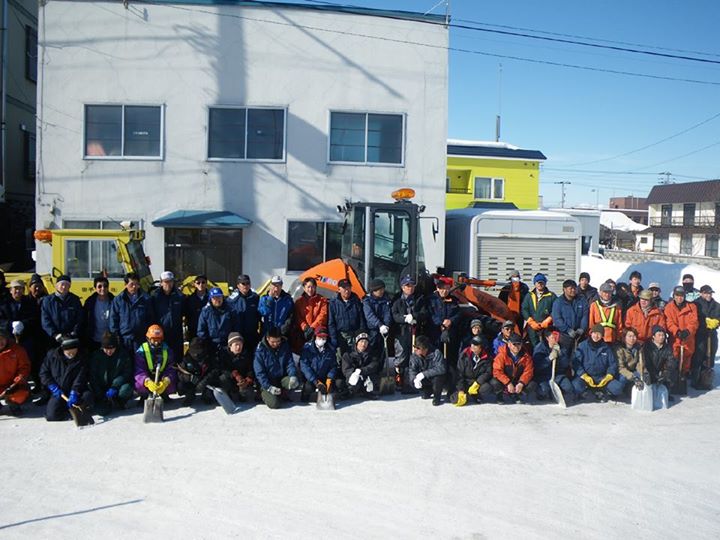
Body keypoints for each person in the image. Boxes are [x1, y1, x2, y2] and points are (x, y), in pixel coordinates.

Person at [39, 336, 93, 422]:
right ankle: (65, 410)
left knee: (87, 397)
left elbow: (81, 377)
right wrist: (51, 385)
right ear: (63, 350)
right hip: (59, 391)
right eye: (69, 352)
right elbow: (44, 373)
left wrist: (75, 391)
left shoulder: (82, 357)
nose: (71, 354)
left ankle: (76, 410)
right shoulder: (52, 356)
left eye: (74, 352)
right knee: (52, 416)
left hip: (76, 390)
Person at [392, 275, 430, 386]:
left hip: (415, 331)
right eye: (407, 286)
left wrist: (415, 317)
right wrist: (405, 319)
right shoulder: (397, 300)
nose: (410, 288)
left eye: (412, 286)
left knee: (415, 355)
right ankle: (399, 378)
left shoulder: (419, 299)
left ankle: (413, 379)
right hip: (402, 332)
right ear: (402, 287)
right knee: (401, 355)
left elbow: (425, 313)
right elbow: (394, 315)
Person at [109, 272, 155, 355]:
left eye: (137, 284)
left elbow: (150, 318)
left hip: (141, 339)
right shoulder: (118, 300)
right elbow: (113, 320)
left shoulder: (146, 299)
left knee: (141, 364)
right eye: (131, 284)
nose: (134, 287)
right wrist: (116, 337)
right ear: (125, 285)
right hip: (124, 340)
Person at [572, 324, 620, 402]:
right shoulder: (583, 345)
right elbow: (576, 363)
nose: (596, 336)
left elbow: (612, 364)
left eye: (599, 334)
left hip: (601, 377)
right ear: (591, 333)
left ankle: (603, 391)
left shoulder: (606, 348)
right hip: (586, 377)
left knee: (617, 388)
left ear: (602, 336)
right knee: (576, 385)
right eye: (594, 333)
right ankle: (584, 391)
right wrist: (584, 375)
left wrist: (609, 375)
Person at [253, 327, 299, 409]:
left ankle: (283, 392)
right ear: (267, 339)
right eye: (273, 342)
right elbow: (259, 373)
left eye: (278, 341)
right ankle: (263, 394)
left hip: (280, 379)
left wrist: (292, 375)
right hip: (267, 382)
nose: (276, 344)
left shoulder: (284, 346)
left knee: (294, 382)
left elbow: (290, 363)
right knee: (275, 404)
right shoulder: (260, 350)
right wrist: (268, 387)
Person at [88, 332, 133, 415]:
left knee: (126, 389)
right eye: (106, 349)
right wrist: (99, 393)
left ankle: (119, 402)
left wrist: (115, 386)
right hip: (101, 387)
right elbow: (92, 376)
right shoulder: (96, 356)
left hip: (116, 386)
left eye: (111, 348)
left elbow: (126, 373)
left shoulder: (123, 355)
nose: (109, 351)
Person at [664, 286, 699, 384]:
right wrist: (676, 331)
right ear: (674, 296)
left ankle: (683, 376)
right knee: (674, 357)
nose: (679, 298)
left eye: (682, 296)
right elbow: (668, 322)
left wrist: (688, 331)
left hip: (688, 338)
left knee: (687, 358)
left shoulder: (691, 307)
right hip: (675, 338)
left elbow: (694, 322)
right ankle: (673, 379)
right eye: (677, 295)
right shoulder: (669, 307)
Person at [134, 324, 177, 400]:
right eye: (154, 340)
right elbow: (139, 369)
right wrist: (147, 382)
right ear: (148, 339)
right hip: (148, 377)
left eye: (159, 339)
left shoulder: (167, 350)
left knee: (172, 383)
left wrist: (165, 382)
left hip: (161, 377)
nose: (156, 342)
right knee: (138, 385)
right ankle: (144, 396)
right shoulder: (141, 351)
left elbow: (171, 368)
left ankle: (164, 394)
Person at [490, 332, 535, 403]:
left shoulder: (526, 357)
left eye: (519, 344)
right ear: (509, 344)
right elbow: (497, 371)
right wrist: (508, 383)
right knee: (494, 382)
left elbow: (528, 372)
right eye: (514, 344)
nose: (517, 347)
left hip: (517, 380)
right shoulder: (502, 355)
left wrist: (521, 383)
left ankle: (517, 395)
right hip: (505, 381)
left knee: (532, 384)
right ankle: (499, 395)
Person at [151, 270, 185, 361]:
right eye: (166, 282)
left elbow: (184, 312)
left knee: (176, 358)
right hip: (160, 333)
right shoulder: (155, 297)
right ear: (161, 283)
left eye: (170, 281)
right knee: (161, 358)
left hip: (176, 333)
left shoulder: (180, 296)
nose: (168, 284)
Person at [40, 275, 83, 345]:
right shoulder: (48, 301)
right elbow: (45, 320)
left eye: (67, 285)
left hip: (71, 338)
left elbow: (79, 318)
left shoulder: (75, 300)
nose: (64, 287)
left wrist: (74, 332)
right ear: (56, 286)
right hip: (53, 339)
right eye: (62, 284)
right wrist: (54, 334)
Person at [328, 278, 366, 358]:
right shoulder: (333, 303)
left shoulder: (356, 301)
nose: (347, 291)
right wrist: (333, 338)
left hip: (354, 333)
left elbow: (361, 319)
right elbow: (331, 322)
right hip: (340, 334)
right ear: (339, 289)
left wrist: (361, 333)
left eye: (348, 288)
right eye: (344, 288)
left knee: (354, 357)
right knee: (340, 358)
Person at [532, 330, 573, 402]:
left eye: (557, 337)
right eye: (553, 337)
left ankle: (558, 394)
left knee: (568, 387)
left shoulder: (562, 347)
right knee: (544, 390)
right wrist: (549, 359)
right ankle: (540, 394)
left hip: (557, 375)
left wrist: (560, 354)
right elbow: (537, 366)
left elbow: (566, 364)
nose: (556, 339)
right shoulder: (540, 348)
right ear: (547, 338)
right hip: (543, 376)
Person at [452, 335, 493, 406]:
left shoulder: (487, 357)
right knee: (455, 399)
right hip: (465, 381)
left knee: (487, 387)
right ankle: (467, 395)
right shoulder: (464, 355)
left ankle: (474, 395)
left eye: (476, 345)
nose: (473, 346)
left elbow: (488, 372)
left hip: (476, 382)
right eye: (472, 343)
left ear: (481, 347)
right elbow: (459, 373)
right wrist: (461, 390)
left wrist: (477, 383)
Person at [299, 327, 339, 400]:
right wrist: (316, 382)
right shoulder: (307, 348)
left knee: (338, 384)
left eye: (324, 337)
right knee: (308, 388)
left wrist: (330, 378)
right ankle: (307, 395)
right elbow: (304, 366)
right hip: (312, 378)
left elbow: (333, 366)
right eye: (319, 337)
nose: (322, 339)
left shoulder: (330, 349)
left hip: (325, 377)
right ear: (315, 337)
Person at [551, 279, 589, 354]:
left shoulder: (581, 300)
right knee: (564, 358)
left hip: (579, 335)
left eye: (574, 288)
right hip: (564, 336)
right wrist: (567, 330)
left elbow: (585, 315)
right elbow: (557, 319)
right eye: (570, 288)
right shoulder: (558, 302)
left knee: (579, 356)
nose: (573, 290)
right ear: (564, 289)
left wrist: (582, 328)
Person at [197, 287, 239, 355]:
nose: (217, 300)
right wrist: (207, 344)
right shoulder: (206, 311)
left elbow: (236, 327)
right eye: (214, 298)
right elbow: (201, 331)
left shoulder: (231, 310)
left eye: (219, 297)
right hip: (211, 345)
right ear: (210, 299)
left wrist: (232, 342)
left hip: (227, 344)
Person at [291, 277, 328, 354]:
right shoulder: (299, 301)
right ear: (304, 288)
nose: (310, 289)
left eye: (312, 287)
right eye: (308, 287)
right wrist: (305, 327)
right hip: (302, 332)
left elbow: (323, 315)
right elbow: (297, 316)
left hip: (317, 331)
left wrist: (313, 327)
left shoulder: (322, 300)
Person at [692, 285, 720, 388]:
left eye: (710, 293)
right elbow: (693, 318)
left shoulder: (716, 305)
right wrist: (704, 323)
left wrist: (716, 322)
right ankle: (695, 379)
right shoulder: (695, 304)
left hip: (712, 333)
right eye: (706, 293)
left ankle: (706, 379)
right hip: (699, 333)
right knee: (699, 354)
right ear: (701, 293)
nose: (708, 295)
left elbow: (718, 316)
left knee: (711, 354)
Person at [227, 274, 261, 356]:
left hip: (252, 334)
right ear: (238, 285)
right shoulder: (231, 300)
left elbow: (259, 315)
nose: (246, 286)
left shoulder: (255, 298)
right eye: (243, 284)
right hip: (238, 336)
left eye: (248, 283)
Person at [0, 328, 31, 415]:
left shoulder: (17, 350)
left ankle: (13, 404)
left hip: (12, 384)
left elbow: (24, 368)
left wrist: (15, 383)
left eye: (2, 339)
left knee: (20, 394)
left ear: (6, 339)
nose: (0, 342)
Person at [408, 335, 446, 406]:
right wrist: (414, 380)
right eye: (414, 347)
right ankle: (428, 391)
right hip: (425, 380)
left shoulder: (436, 353)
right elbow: (412, 371)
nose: (415, 349)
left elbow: (441, 368)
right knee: (414, 383)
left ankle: (437, 397)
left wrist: (424, 374)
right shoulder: (414, 357)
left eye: (418, 348)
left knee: (438, 378)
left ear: (425, 349)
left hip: (434, 379)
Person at [341, 332, 381, 400]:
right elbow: (346, 369)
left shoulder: (372, 353)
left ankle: (368, 392)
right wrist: (354, 373)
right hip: (354, 376)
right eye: (361, 341)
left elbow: (374, 365)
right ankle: (350, 391)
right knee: (352, 380)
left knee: (373, 379)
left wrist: (362, 371)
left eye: (366, 342)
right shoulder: (348, 354)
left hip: (365, 375)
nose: (363, 344)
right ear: (357, 342)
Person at [176, 337, 214, 405]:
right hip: (192, 382)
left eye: (199, 351)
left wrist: (204, 381)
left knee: (213, 381)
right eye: (194, 351)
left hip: (205, 382)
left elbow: (213, 371)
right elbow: (180, 373)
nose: (196, 354)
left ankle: (207, 395)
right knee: (181, 385)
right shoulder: (186, 358)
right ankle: (190, 395)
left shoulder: (208, 358)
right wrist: (189, 378)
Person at [642, 325, 677, 398]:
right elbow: (644, 362)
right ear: (653, 336)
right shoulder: (647, 347)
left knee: (672, 373)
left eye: (663, 335)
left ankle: (667, 392)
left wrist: (665, 373)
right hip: (650, 372)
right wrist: (647, 372)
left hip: (660, 372)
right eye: (659, 335)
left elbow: (671, 362)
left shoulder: (667, 348)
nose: (661, 337)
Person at [220, 332, 256, 403]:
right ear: (230, 345)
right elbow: (222, 368)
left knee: (246, 396)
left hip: (243, 380)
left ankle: (242, 393)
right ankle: (228, 393)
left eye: (240, 344)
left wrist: (249, 378)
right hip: (231, 379)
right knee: (223, 378)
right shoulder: (224, 354)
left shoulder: (247, 354)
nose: (238, 347)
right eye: (236, 345)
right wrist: (234, 374)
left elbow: (251, 368)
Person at [521, 273, 556, 346]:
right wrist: (530, 321)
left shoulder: (552, 296)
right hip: (532, 328)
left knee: (547, 346)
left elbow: (556, 310)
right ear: (535, 283)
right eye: (538, 282)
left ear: (545, 283)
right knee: (534, 347)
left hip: (547, 327)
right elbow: (524, 309)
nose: (540, 284)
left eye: (542, 282)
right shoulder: (529, 296)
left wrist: (548, 320)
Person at [82, 276, 114, 351]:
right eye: (99, 286)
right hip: (94, 340)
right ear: (95, 288)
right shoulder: (89, 302)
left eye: (105, 286)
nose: (102, 288)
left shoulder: (114, 301)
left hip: (110, 340)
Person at [362, 278, 392, 355]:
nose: (382, 291)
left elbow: (387, 313)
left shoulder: (386, 300)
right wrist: (379, 325)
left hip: (384, 331)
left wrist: (386, 325)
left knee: (381, 353)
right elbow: (369, 315)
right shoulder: (367, 301)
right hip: (372, 330)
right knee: (371, 352)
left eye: (383, 289)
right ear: (374, 290)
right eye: (380, 290)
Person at [614, 327, 642, 397]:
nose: (632, 339)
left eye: (634, 336)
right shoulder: (619, 349)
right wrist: (632, 376)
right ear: (624, 337)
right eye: (629, 336)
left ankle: (629, 389)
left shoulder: (638, 347)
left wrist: (641, 373)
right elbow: (620, 368)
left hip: (633, 371)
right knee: (622, 379)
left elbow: (639, 363)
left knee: (642, 376)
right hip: (621, 373)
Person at [184, 274, 209, 340]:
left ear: (206, 284)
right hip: (194, 332)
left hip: (209, 332)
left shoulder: (211, 299)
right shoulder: (189, 299)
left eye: (203, 282)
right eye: (198, 283)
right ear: (194, 284)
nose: (201, 284)